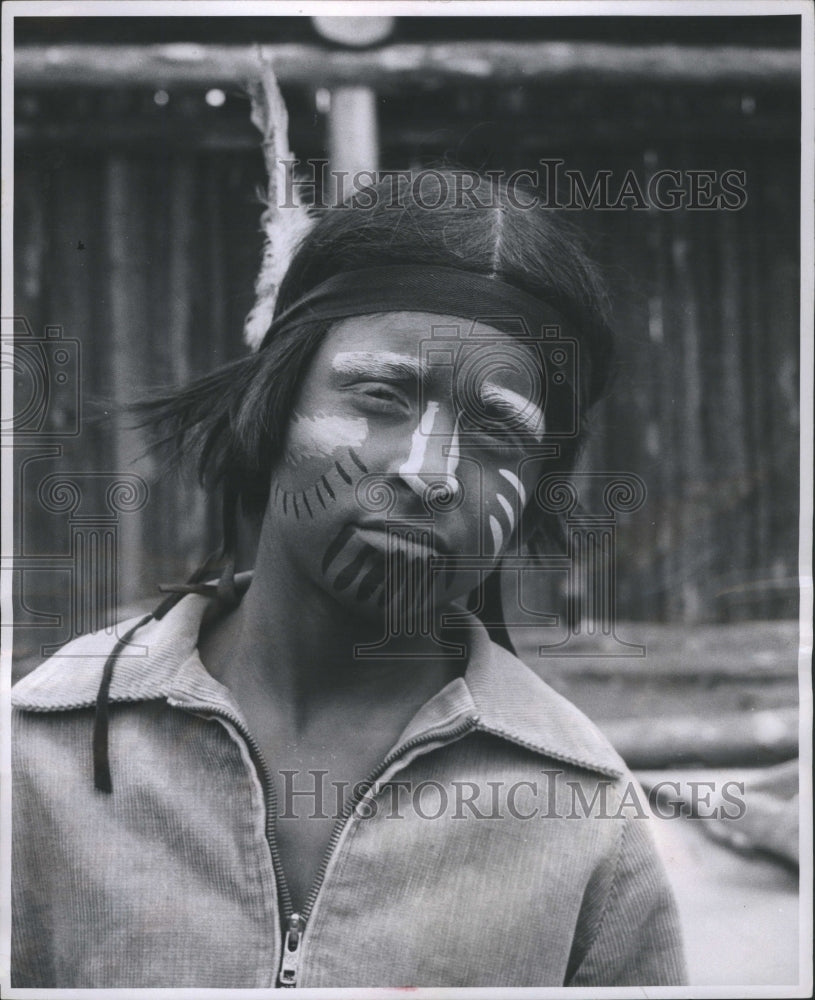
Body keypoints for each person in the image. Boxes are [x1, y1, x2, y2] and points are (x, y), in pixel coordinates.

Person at [11, 167, 687, 988]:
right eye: (379, 395)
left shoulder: (579, 809)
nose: (426, 472)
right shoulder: (41, 753)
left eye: (498, 432)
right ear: (273, 400)